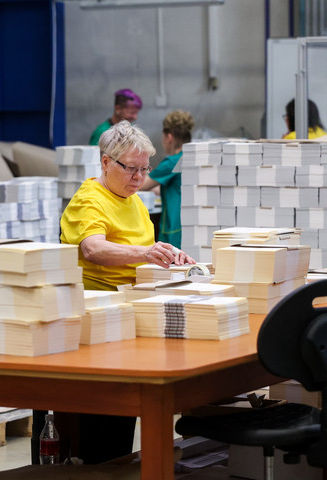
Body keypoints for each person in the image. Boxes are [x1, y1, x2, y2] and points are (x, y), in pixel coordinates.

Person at [58, 120, 194, 464]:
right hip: (94, 319)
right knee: (99, 422)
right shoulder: (89, 200)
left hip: (129, 314)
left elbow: (144, 252)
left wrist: (171, 259)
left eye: (144, 169)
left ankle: (116, 466)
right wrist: (146, 253)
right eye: (131, 168)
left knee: (123, 418)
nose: (139, 177)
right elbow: (93, 249)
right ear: (106, 162)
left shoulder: (134, 200)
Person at [140, 110, 194, 248]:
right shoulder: (191, 157)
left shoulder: (171, 162)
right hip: (189, 225)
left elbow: (139, 184)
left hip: (173, 228)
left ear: (169, 137)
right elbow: (175, 187)